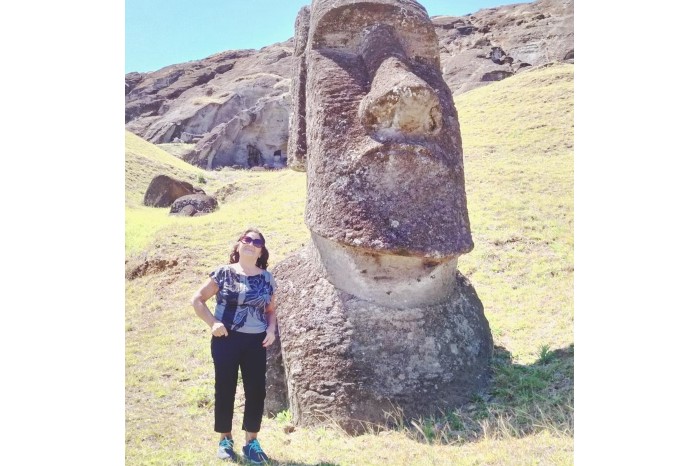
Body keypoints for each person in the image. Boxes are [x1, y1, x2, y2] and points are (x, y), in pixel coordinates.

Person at [191, 228, 277, 463]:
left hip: (256, 341)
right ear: (239, 245)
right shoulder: (224, 273)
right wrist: (213, 323)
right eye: (246, 239)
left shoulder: (267, 278)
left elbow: (270, 310)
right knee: (225, 388)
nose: (251, 243)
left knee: (256, 391)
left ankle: (251, 443)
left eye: (257, 242)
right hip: (226, 339)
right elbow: (197, 299)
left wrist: (271, 330)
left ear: (261, 251)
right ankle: (225, 440)